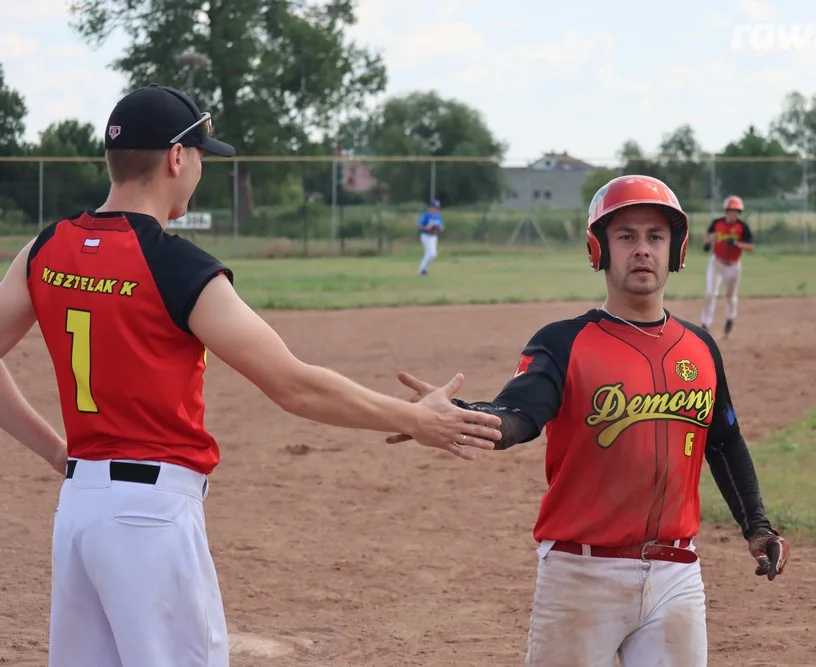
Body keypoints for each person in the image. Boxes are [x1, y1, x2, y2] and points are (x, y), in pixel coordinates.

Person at [0, 83, 502, 667]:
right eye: (201, 156)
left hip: (79, 511)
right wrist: (416, 418)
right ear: (176, 157)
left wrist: (58, 454)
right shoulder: (178, 266)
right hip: (151, 517)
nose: (199, 171)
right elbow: (293, 384)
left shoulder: (43, 250)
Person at [385, 175, 788, 666]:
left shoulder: (700, 347)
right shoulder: (563, 341)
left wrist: (757, 526)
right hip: (581, 574)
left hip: (676, 575)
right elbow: (519, 415)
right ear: (599, 249)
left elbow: (723, 442)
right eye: (626, 236)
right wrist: (459, 414)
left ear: (676, 249)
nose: (642, 249)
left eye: (655, 237)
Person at [699, 194, 754, 338]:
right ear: (726, 211)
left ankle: (730, 318)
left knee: (730, 296)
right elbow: (708, 232)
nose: (732, 213)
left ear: (739, 213)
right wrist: (707, 242)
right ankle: (705, 324)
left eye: (735, 211)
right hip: (716, 262)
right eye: (730, 210)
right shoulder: (717, 223)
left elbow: (751, 247)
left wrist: (737, 244)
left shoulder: (742, 227)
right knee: (710, 293)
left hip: (733, 266)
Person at [417, 198, 443, 275]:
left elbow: (441, 227)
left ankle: (424, 270)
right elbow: (419, 225)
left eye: (437, 207)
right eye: (435, 207)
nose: (436, 209)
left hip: (434, 237)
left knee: (433, 255)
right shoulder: (426, 215)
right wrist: (427, 228)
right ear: (430, 207)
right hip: (425, 236)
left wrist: (438, 227)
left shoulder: (438, 216)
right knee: (431, 254)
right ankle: (421, 270)